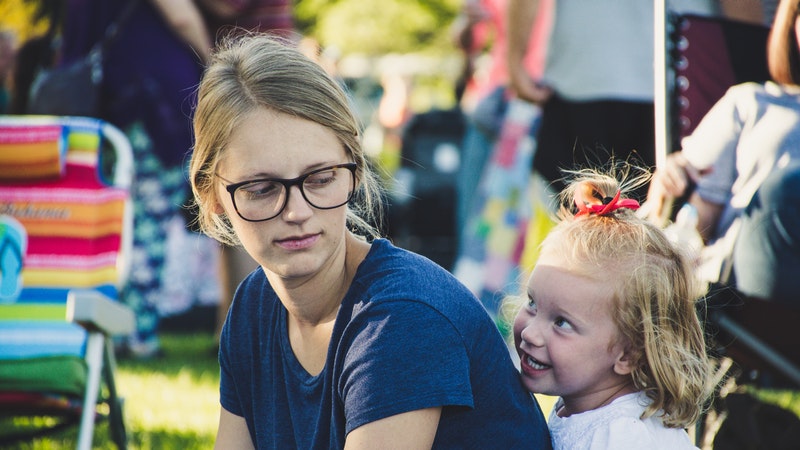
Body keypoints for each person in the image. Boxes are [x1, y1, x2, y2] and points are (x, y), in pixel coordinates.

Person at [188, 34, 552, 449]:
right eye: (261, 188)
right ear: (213, 195)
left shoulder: (401, 318)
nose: (296, 211)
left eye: (320, 179)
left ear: (355, 171)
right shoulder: (255, 306)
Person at [59, 0, 220, 357]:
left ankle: (102, 325)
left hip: (96, 98)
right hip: (152, 98)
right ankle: (136, 335)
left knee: (108, 222)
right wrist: (215, 65)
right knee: (150, 219)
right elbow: (180, 15)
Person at [511, 168, 714, 450]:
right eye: (533, 303)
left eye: (562, 323)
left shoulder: (623, 437)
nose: (531, 333)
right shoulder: (586, 402)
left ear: (628, 354)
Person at [646, 0, 800, 305]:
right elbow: (699, 222)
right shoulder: (752, 103)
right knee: (780, 193)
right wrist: (669, 195)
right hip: (744, 288)